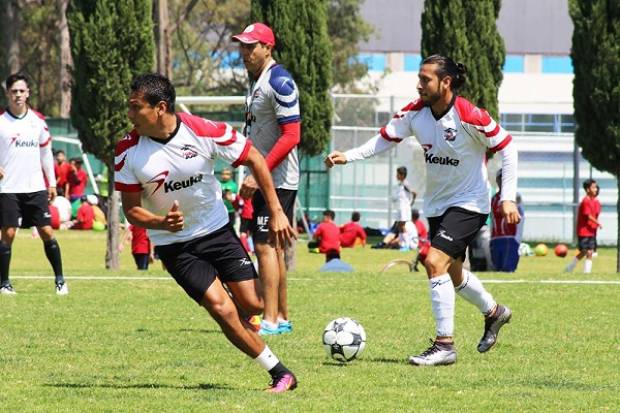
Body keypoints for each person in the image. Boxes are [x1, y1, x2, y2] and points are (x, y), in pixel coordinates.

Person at [325, 55, 519, 366]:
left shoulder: (469, 115)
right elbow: (383, 140)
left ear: (446, 82)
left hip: (471, 203)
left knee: (433, 260)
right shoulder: (415, 113)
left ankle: (445, 345)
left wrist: (506, 197)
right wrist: (348, 156)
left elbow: (508, 147)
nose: (419, 84)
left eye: (426, 79)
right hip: (437, 205)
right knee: (453, 273)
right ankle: (495, 313)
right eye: (419, 77)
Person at [114, 73, 297, 392]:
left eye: (135, 107)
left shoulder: (203, 131)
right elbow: (131, 210)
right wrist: (160, 224)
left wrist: (277, 210)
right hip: (174, 246)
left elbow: (254, 156)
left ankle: (249, 319)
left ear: (160, 108)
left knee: (253, 305)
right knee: (221, 309)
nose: (129, 114)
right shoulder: (127, 151)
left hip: (216, 231)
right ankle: (280, 373)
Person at [233, 22, 301, 336]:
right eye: (242, 46)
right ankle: (282, 317)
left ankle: (270, 320)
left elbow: (292, 135)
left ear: (268, 48)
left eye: (251, 46)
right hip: (268, 177)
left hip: (277, 179)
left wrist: (259, 176)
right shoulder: (260, 81)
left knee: (264, 246)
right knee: (271, 248)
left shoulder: (280, 80)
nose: (245, 52)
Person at [0, 73, 68, 295]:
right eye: (14, 91)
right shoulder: (1, 121)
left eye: (21, 90)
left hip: (36, 188)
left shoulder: (38, 121)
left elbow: (46, 154)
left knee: (47, 231)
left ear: (28, 93)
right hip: (8, 188)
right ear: (7, 93)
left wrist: (52, 183)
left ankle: (60, 281)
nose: (18, 95)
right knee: (8, 233)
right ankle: (4, 283)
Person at [490, 170, 524, 272]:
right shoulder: (494, 198)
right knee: (497, 268)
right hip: (496, 237)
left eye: (505, 178)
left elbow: (521, 215)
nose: (502, 180)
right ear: (497, 180)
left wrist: (518, 237)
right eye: (500, 178)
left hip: (510, 237)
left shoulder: (515, 196)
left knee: (508, 269)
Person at [565, 179, 602, 273]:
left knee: (589, 251)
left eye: (596, 187)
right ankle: (571, 267)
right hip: (584, 231)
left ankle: (586, 272)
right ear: (587, 189)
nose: (596, 189)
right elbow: (588, 216)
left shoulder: (596, 202)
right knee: (585, 251)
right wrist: (598, 223)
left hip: (592, 231)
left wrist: (596, 225)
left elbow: (596, 213)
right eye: (593, 187)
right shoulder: (585, 201)